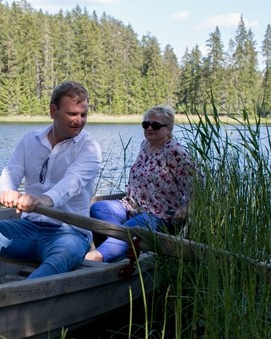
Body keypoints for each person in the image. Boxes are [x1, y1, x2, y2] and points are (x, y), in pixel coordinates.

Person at [0, 81, 102, 290]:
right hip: (29, 228)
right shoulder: (30, 140)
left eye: (83, 115)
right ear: (54, 111)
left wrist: (44, 199)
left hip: (70, 233)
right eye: (72, 114)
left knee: (62, 255)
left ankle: (20, 298)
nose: (79, 121)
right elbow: (11, 171)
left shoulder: (90, 147)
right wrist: (6, 189)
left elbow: (73, 182)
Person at [85, 105, 198, 263]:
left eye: (155, 125)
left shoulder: (174, 151)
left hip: (160, 215)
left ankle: (97, 257)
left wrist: (187, 207)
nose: (149, 128)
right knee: (98, 208)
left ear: (169, 129)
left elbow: (198, 182)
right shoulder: (145, 145)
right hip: (132, 207)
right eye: (146, 124)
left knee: (136, 227)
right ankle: (127, 246)